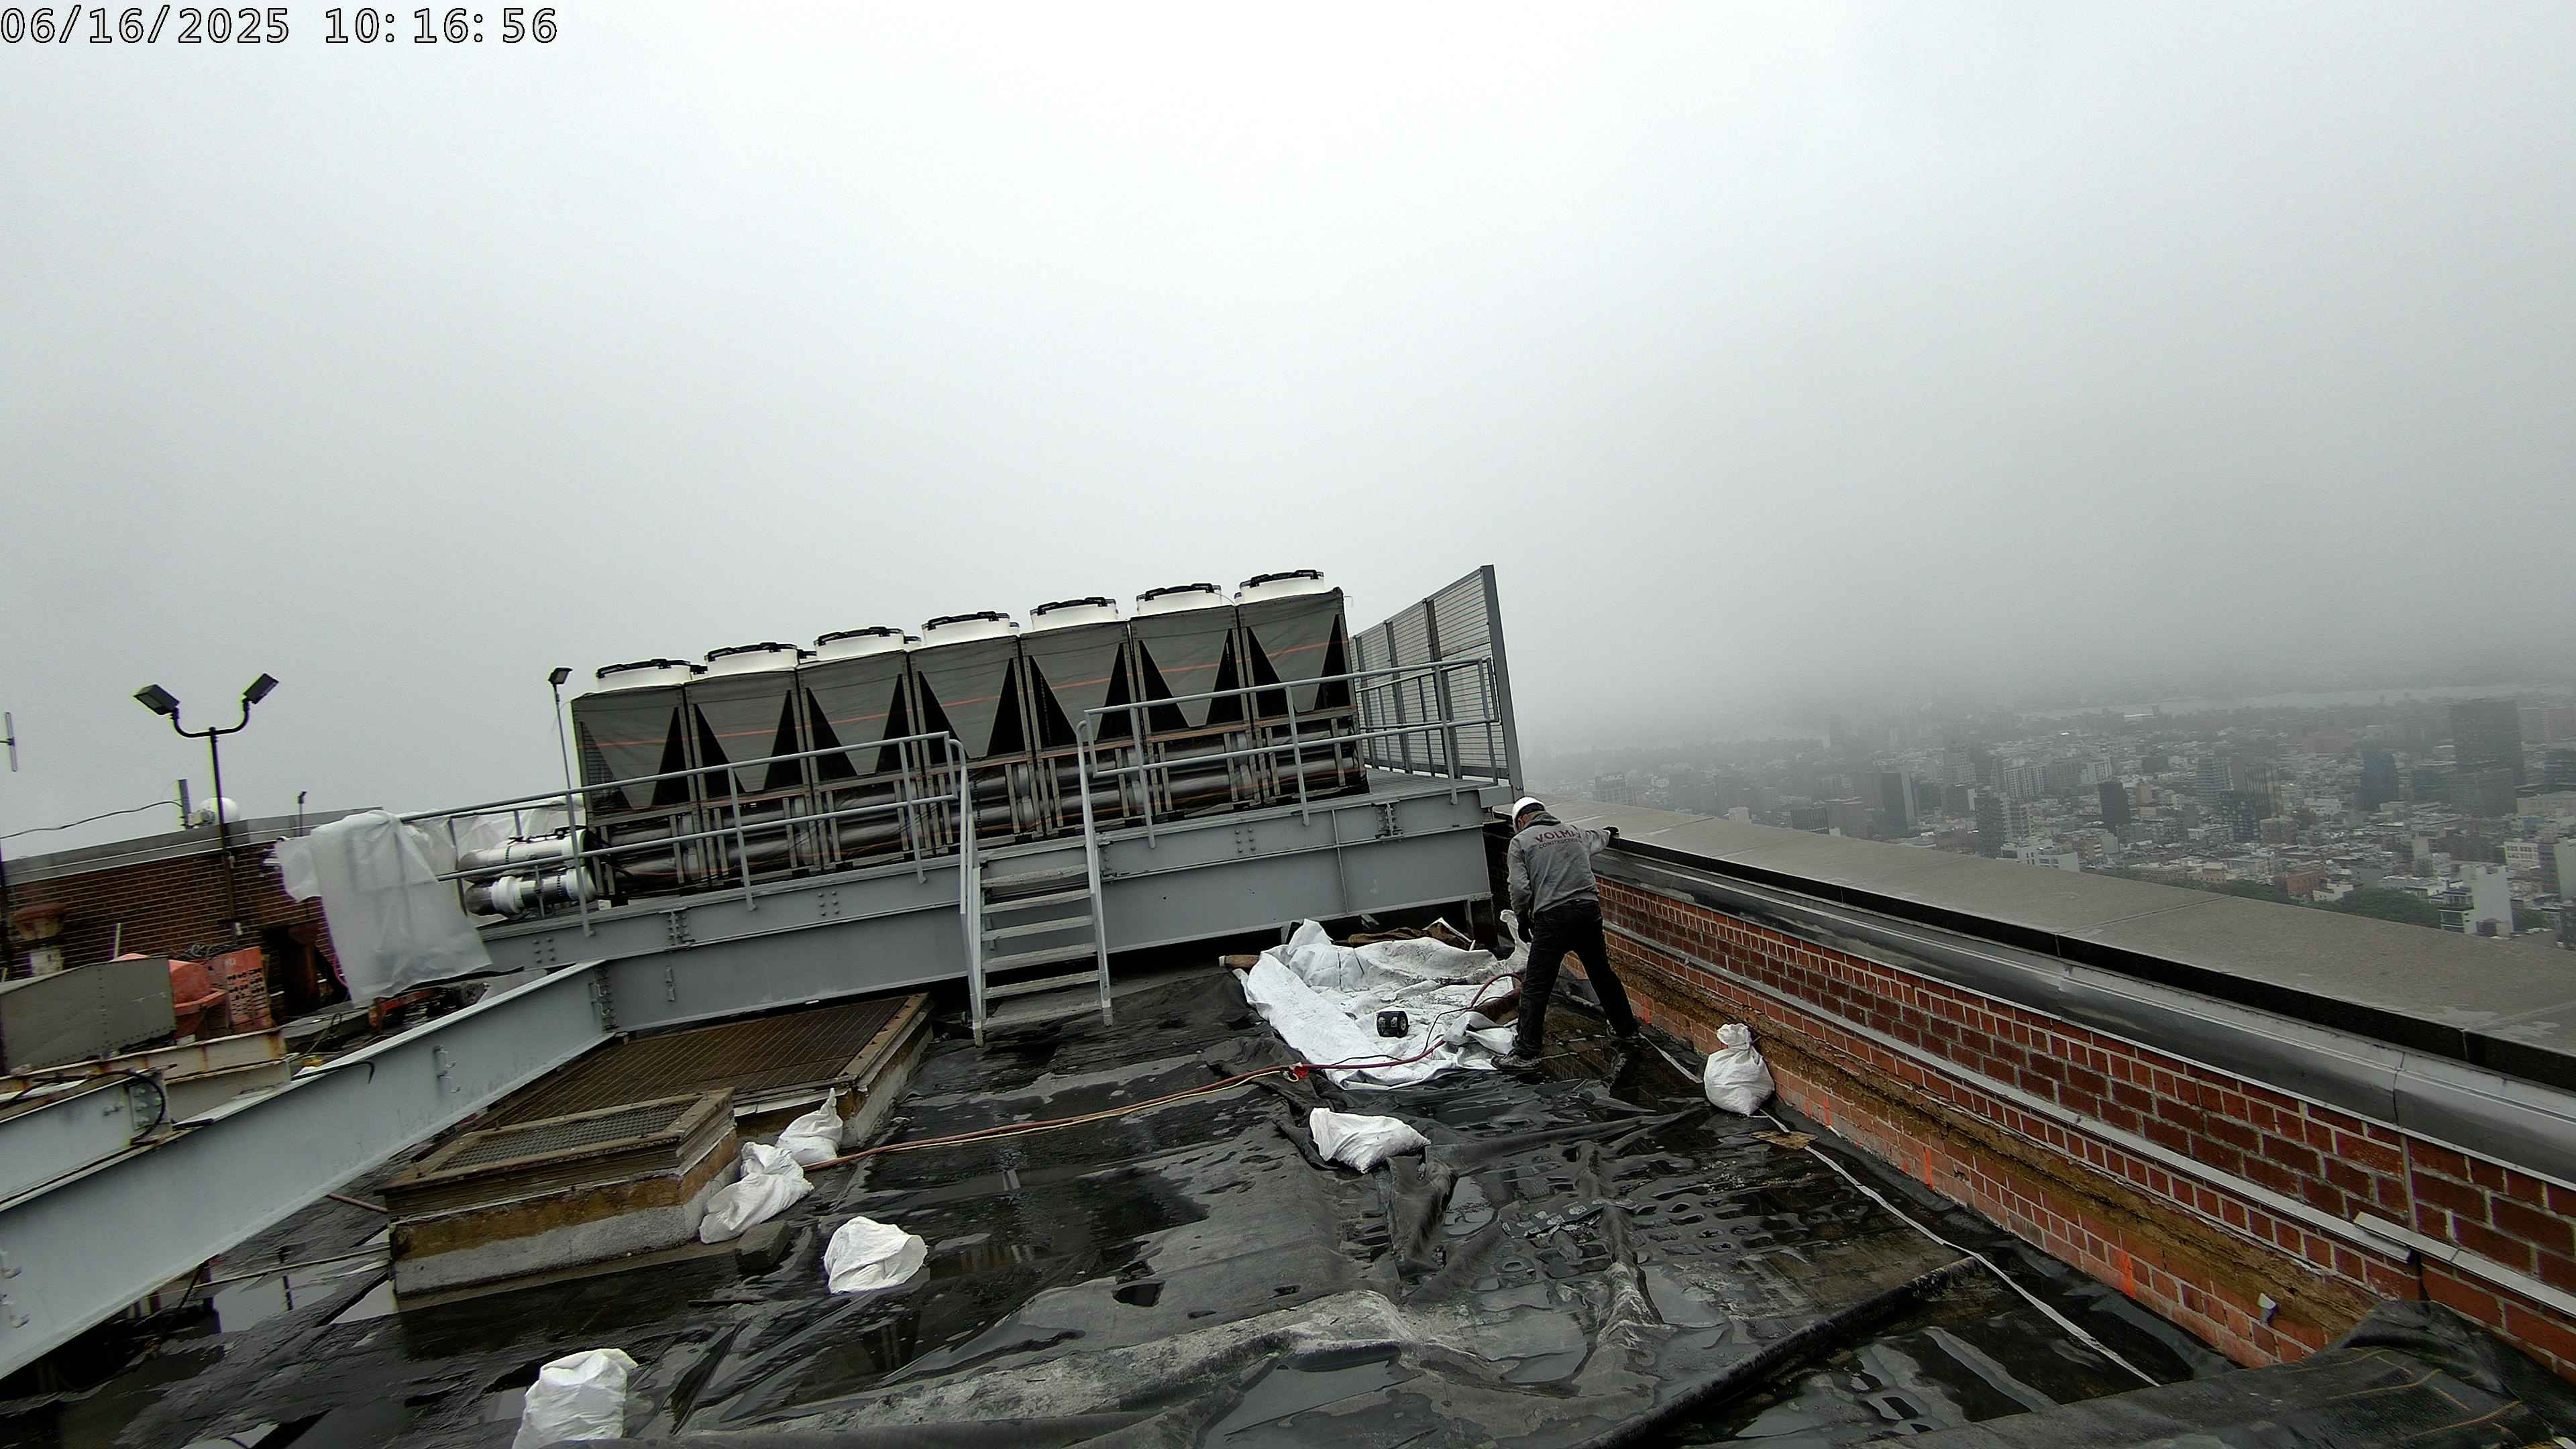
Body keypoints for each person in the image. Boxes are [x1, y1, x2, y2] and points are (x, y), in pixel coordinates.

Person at [1500, 796, 1639, 1067]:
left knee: (1537, 985)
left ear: (1521, 820)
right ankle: (1627, 1030)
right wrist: (1609, 832)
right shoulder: (1574, 832)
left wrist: (1523, 918)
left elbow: (1519, 888)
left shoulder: (1521, 842)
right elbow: (1598, 838)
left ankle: (1526, 1052)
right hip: (1588, 913)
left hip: (1553, 919)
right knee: (1602, 975)